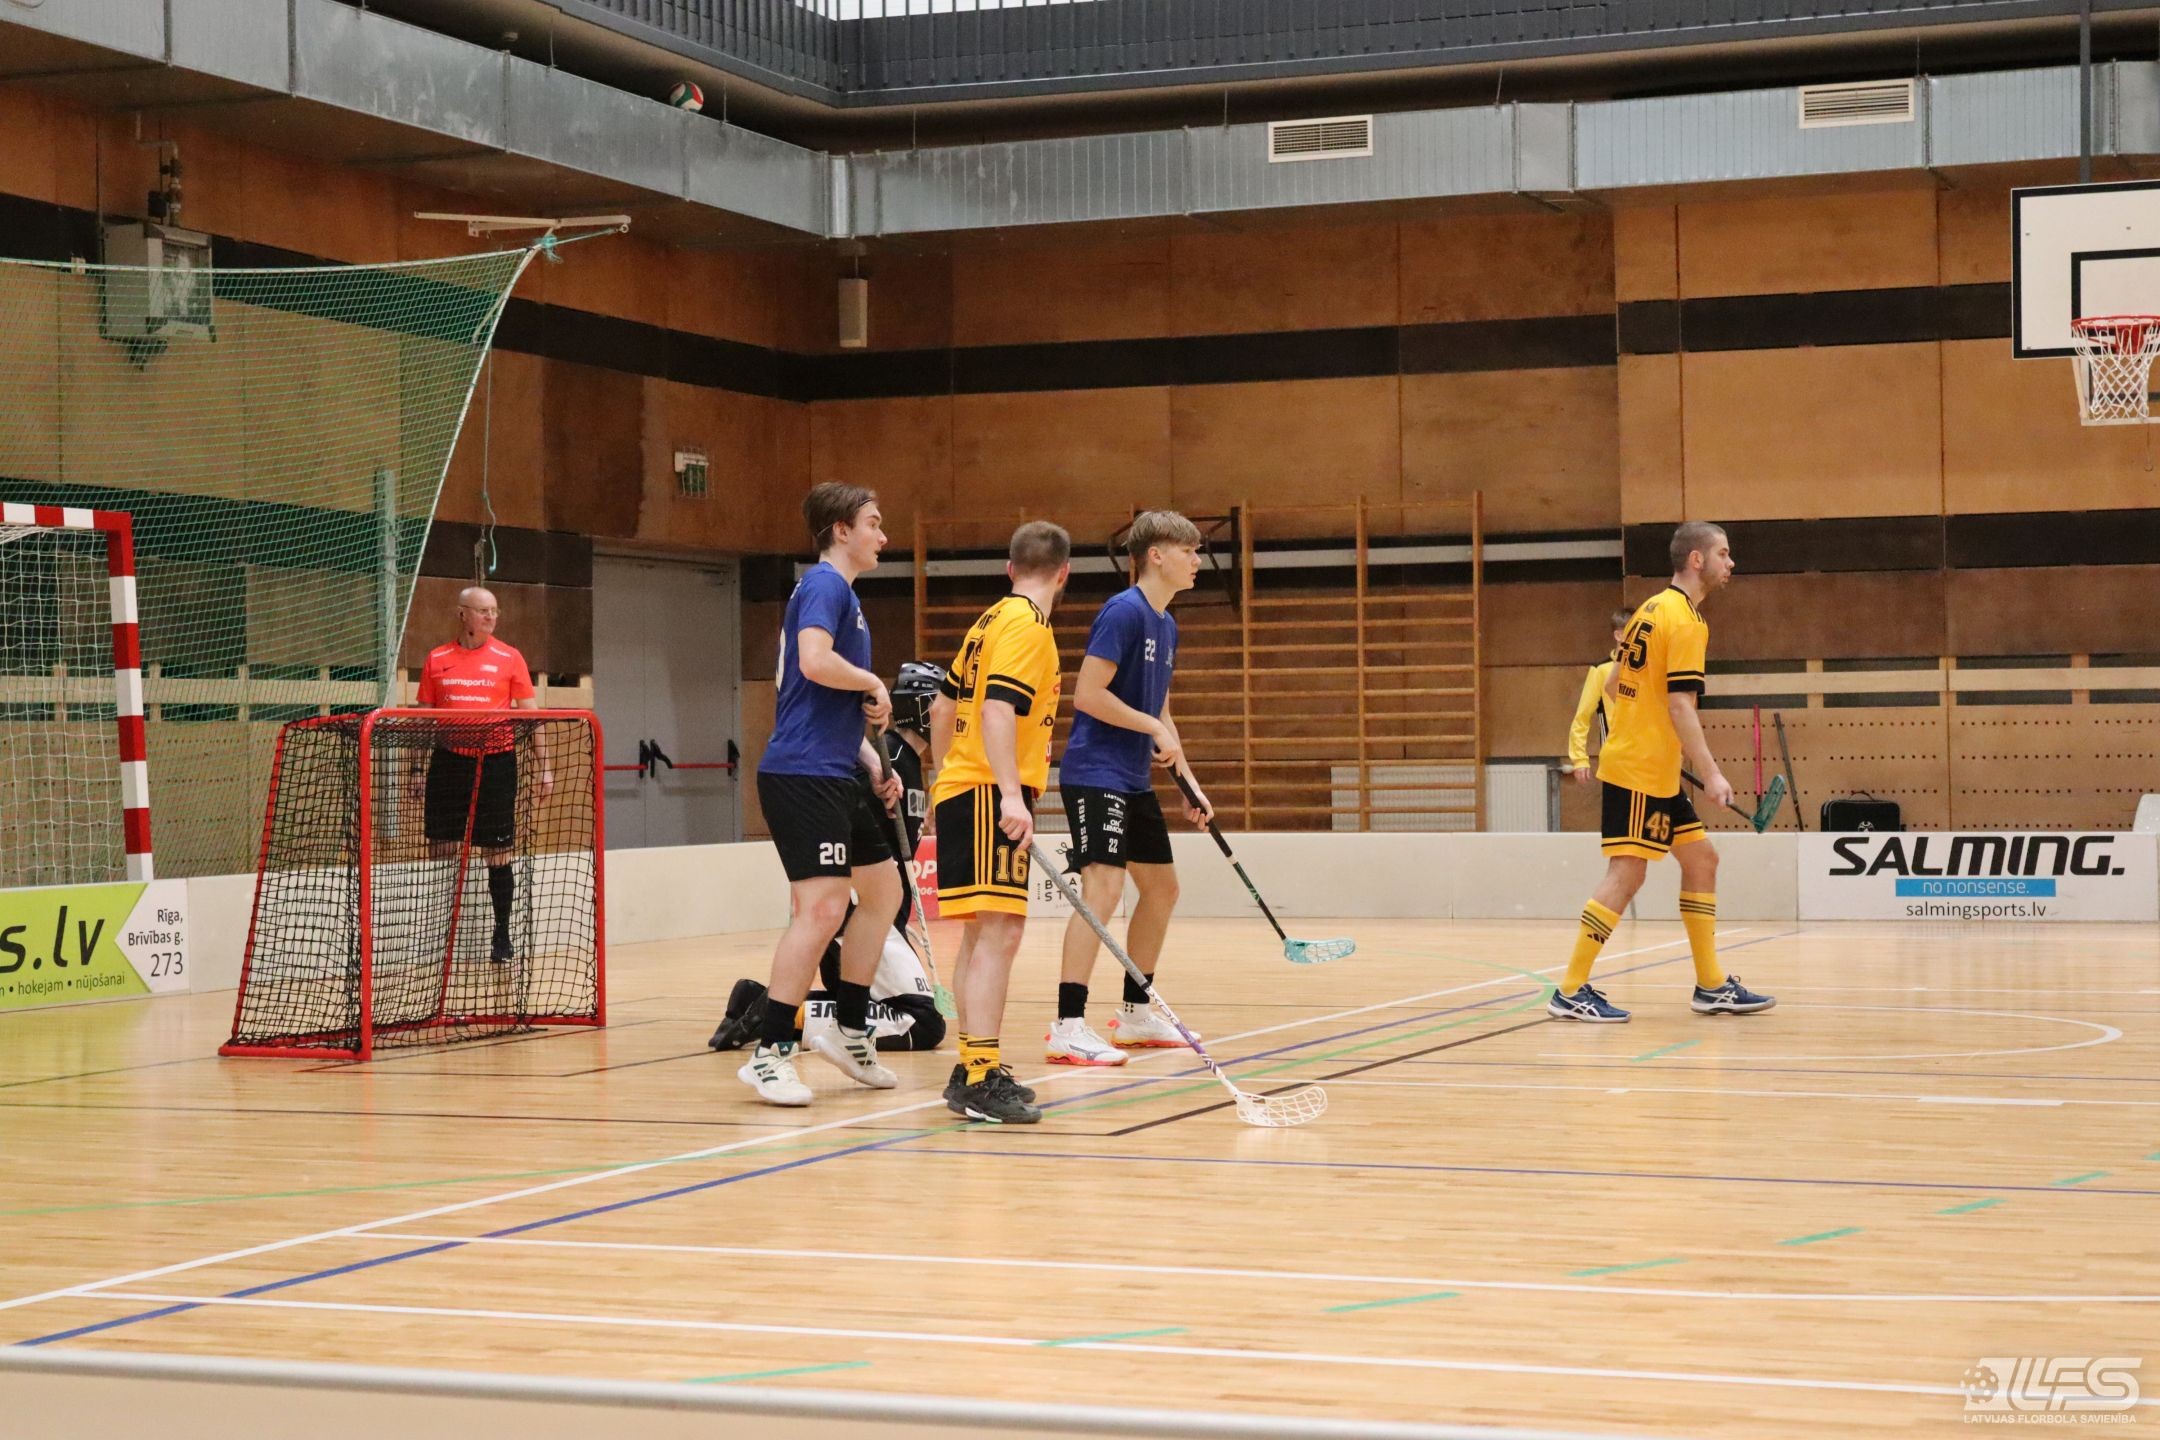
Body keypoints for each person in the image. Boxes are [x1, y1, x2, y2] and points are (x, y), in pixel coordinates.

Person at [1551, 522, 1774, 1023]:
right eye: (1723, 554)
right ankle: (1570, 990)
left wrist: (1649, 730)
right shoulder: (1687, 622)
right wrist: (1711, 773)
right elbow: (1679, 705)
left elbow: (1614, 684)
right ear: (1697, 560)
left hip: (1653, 768)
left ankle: (1711, 986)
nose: (1730, 563)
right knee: (1627, 873)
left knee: (1701, 860)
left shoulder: (1648, 611)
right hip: (1639, 771)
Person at [740, 483, 907, 1106]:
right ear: (841, 530)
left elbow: (815, 700)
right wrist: (871, 681)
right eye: (873, 523)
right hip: (802, 775)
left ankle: (849, 1028)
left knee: (885, 892)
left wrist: (870, 762)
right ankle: (771, 1053)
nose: (882, 536)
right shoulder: (824, 585)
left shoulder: (844, 596)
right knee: (822, 909)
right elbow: (813, 662)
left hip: (836, 770)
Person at [710, 661, 947, 1055]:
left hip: (879, 920)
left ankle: (758, 999)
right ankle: (786, 1016)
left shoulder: (906, 762)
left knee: (875, 1005)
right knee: (922, 1022)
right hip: (858, 915)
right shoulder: (888, 756)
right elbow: (845, 824)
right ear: (921, 710)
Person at [1048, 510, 1213, 1066]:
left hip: (1133, 777)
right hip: (1095, 773)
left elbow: (1160, 711)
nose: (1197, 560)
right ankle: (1068, 1024)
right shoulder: (1123, 612)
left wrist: (1188, 784)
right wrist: (1150, 728)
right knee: (1102, 888)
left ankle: (1136, 1014)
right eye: (1188, 550)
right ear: (1156, 556)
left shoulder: (1167, 625)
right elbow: (1087, 695)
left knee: (1162, 889)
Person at [927, 521, 1071, 1124]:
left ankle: (972, 1064)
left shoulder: (987, 621)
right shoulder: (1029, 626)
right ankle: (982, 1076)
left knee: (982, 934)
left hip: (965, 787)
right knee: (1001, 934)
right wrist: (1011, 795)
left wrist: (943, 778)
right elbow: (996, 709)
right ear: (1064, 574)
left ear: (1010, 569)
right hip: (990, 791)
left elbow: (941, 704)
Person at [412, 585, 551, 965]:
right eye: (483, 610)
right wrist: (416, 770)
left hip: (496, 763)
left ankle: (502, 935)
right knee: (441, 847)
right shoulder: (437, 658)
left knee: (498, 851)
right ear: (462, 615)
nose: (491, 617)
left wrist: (545, 768)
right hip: (449, 762)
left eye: (494, 611)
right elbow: (422, 721)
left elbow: (533, 718)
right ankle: (442, 935)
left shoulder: (510, 657)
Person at [1565, 609, 1634, 788]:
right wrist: (1579, 759)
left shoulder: (1647, 668)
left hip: (1646, 759)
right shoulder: (1601, 670)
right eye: (1633, 632)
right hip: (1616, 761)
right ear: (1619, 635)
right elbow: (1582, 716)